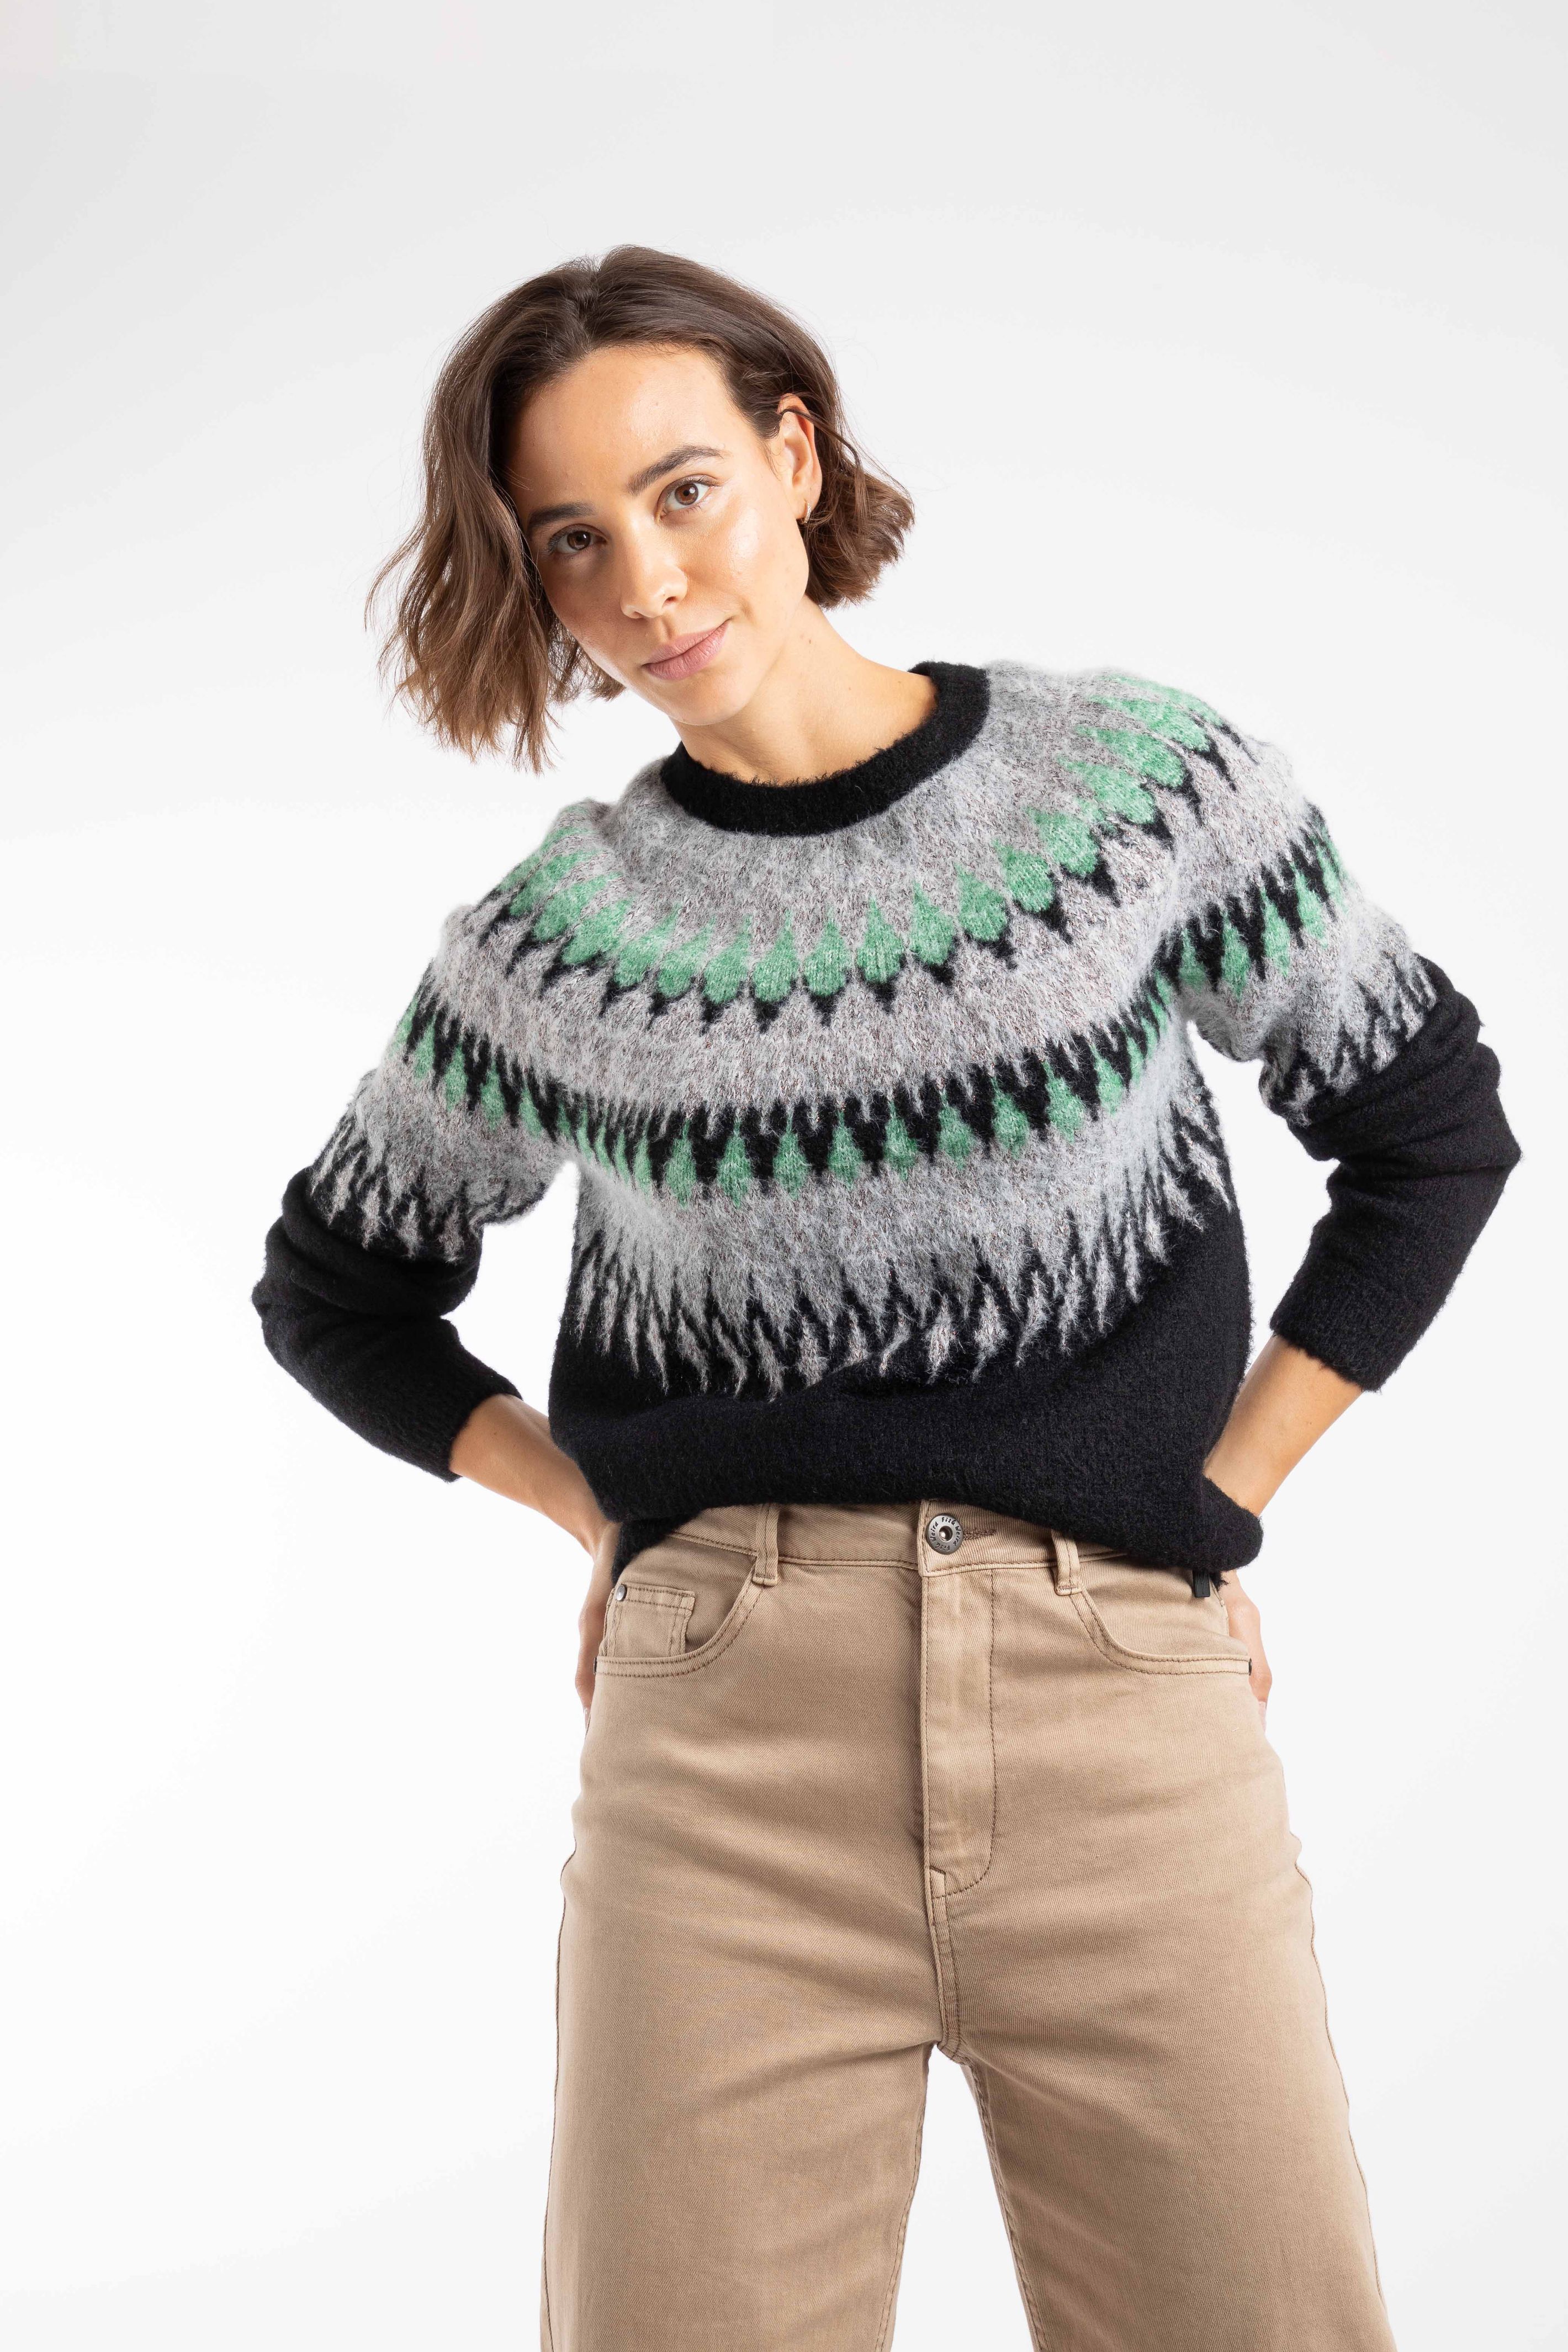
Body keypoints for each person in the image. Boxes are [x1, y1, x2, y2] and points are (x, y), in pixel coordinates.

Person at [252, 245, 1519, 2350]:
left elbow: (1428, 1130)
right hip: (722, 1763)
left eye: (682, 491)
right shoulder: (563, 936)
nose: (647, 582)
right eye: (572, 541)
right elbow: (335, 1288)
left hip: (1127, 1710)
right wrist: (596, 1512)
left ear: (795, 450)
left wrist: (1221, 1495)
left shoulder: (1132, 789)